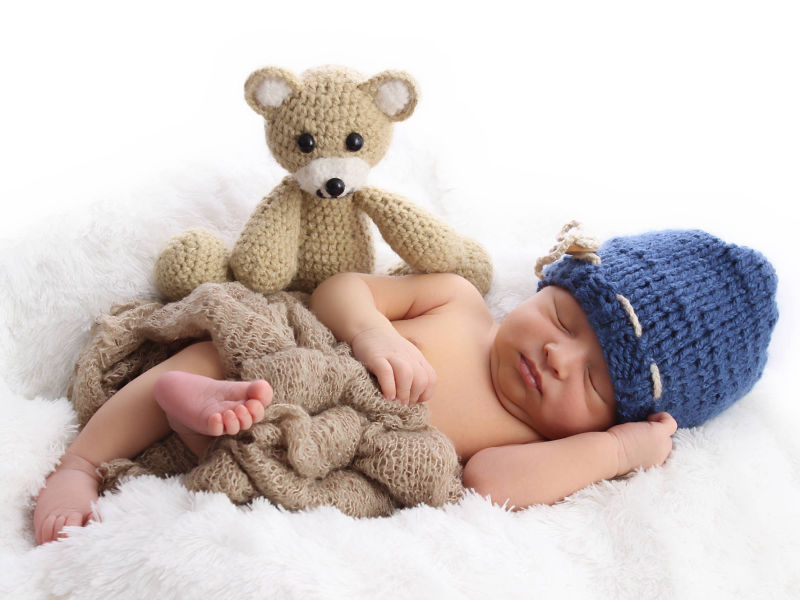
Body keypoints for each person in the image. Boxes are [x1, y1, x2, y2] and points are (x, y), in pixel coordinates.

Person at [33, 224, 779, 545]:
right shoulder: (457, 302)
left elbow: (489, 483)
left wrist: (619, 452)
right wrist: (373, 333)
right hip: (302, 363)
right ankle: (81, 464)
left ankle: (204, 428)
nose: (557, 356)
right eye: (561, 317)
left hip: (327, 448)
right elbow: (340, 289)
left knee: (294, 482)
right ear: (549, 281)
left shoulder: (530, 444)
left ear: (614, 417)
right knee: (216, 351)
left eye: (592, 378)